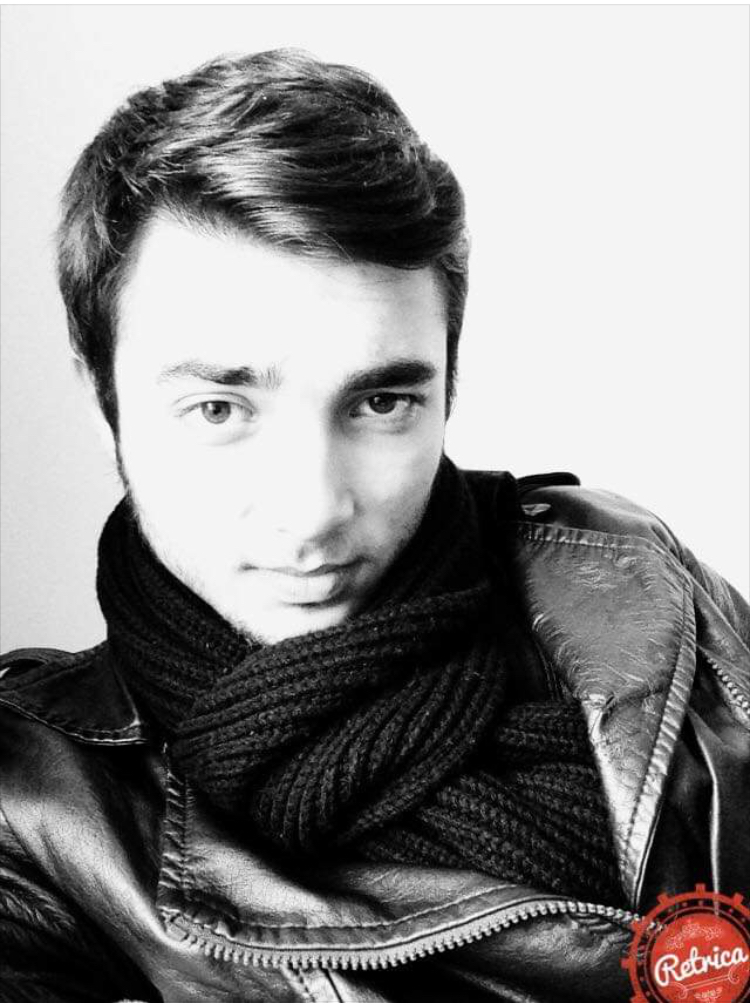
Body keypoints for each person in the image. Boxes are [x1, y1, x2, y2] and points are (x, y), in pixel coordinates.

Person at [1, 49, 747, 1003]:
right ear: (102, 391)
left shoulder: (626, 571)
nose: (314, 509)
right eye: (220, 409)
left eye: (382, 402)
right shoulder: (33, 812)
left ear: (449, 381)